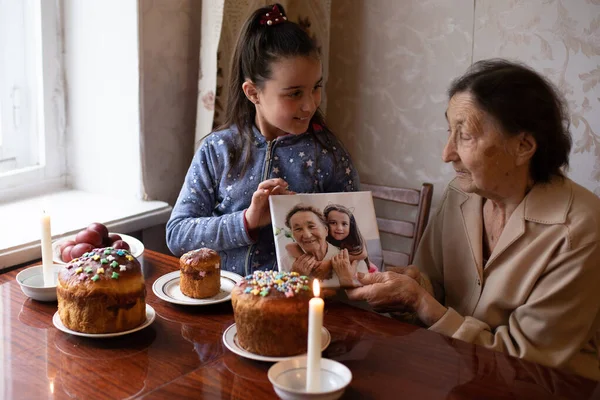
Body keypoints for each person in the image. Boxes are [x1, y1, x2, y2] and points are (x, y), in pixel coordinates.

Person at [347, 59, 600, 381]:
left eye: (464, 135)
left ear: (523, 146)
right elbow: (433, 283)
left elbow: (528, 363)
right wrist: (413, 287)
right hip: (457, 372)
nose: (446, 153)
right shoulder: (461, 195)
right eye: (449, 131)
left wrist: (420, 301)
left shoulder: (579, 229)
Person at [166, 4, 359, 276]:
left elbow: (352, 241)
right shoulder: (217, 150)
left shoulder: (328, 155)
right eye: (294, 93)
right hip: (224, 304)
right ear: (253, 92)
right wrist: (246, 221)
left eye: (316, 87)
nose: (309, 105)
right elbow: (177, 234)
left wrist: (322, 261)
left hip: (301, 308)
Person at [282, 204, 368, 287]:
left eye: (312, 226)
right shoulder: (286, 261)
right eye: (298, 229)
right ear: (292, 234)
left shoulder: (353, 260)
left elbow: (368, 297)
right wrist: (294, 278)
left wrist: (346, 280)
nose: (307, 235)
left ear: (326, 230)